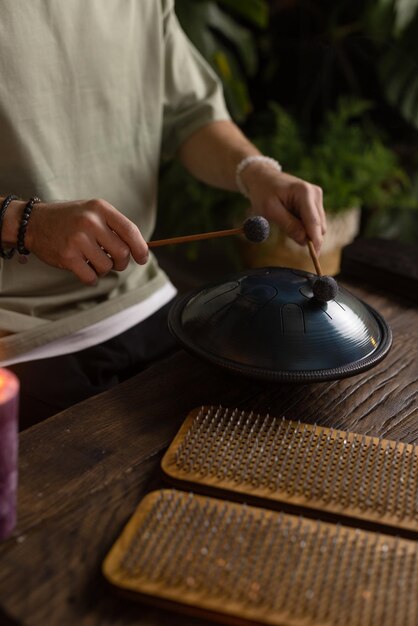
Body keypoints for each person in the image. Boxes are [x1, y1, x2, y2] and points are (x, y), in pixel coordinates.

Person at [0, 0, 326, 429]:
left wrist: (257, 173)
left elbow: (189, 114)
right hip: (21, 342)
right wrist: (24, 221)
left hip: (148, 303)